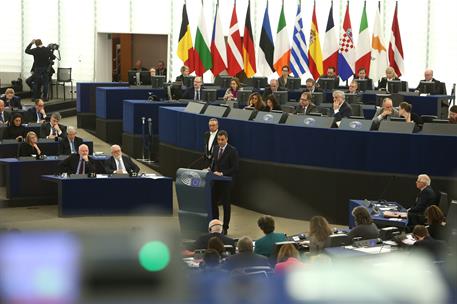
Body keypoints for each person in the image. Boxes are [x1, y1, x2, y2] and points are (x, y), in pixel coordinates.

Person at [209, 130, 239, 235]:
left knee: (226, 205)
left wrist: (222, 173)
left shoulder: (232, 151)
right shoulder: (216, 148)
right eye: (218, 139)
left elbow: (235, 168)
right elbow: (214, 163)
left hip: (226, 182)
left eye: (222, 140)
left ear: (226, 139)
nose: (220, 142)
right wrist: (210, 170)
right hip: (215, 181)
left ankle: (225, 227)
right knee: (213, 202)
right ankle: (215, 224)